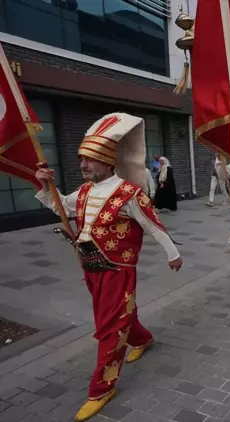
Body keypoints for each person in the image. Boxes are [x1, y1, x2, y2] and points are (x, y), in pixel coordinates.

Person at [34, 113, 183, 421]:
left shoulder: (129, 193)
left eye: (90, 160)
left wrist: (172, 254)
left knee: (110, 326)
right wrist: (47, 187)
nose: (84, 165)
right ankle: (142, 338)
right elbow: (60, 206)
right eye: (82, 160)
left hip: (117, 269)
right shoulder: (85, 191)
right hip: (89, 265)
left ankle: (102, 387)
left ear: (106, 161)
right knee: (118, 315)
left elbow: (153, 224)